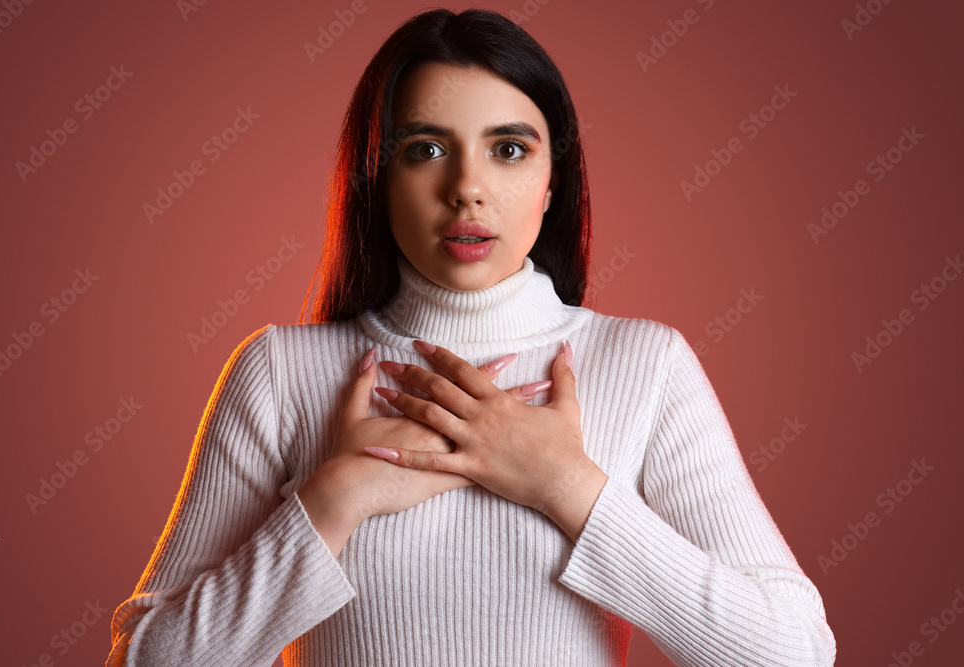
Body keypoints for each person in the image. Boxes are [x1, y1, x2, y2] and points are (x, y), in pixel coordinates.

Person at [108, 8, 836, 666]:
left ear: (555, 182)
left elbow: (793, 651)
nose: (468, 187)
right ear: (376, 180)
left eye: (509, 150)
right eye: (425, 150)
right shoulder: (279, 372)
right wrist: (330, 502)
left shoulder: (643, 364)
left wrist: (568, 487)